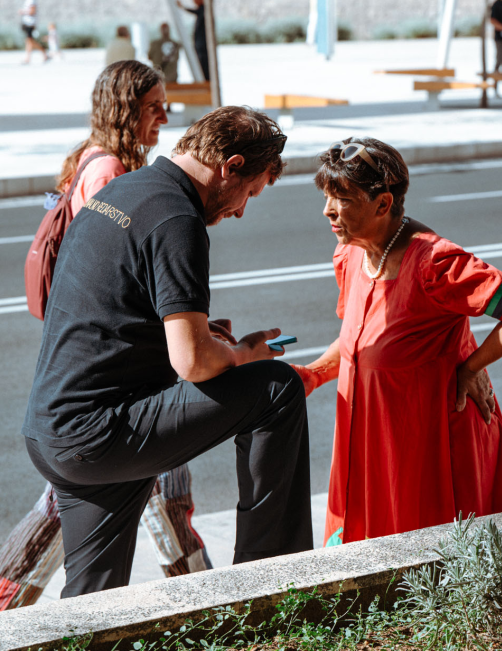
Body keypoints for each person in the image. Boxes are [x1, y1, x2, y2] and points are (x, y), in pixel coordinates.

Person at [21, 105, 311, 598]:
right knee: (278, 390)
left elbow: (112, 307)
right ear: (231, 166)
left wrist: (188, 333)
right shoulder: (178, 217)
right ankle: (271, 589)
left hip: (53, 430)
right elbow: (193, 362)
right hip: (101, 430)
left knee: (92, 602)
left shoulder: (122, 190)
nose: (241, 209)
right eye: (250, 192)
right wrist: (242, 355)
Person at [0, 62, 206, 618]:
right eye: (153, 106)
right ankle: (209, 605)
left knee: (131, 501)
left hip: (105, 372)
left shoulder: (94, 159)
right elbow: (115, 275)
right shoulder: (109, 173)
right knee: (158, 498)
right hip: (114, 377)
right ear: (126, 110)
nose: (165, 116)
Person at [291, 137, 502, 546]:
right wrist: (310, 375)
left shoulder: (436, 262)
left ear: (383, 204)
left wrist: (470, 368)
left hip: (427, 442)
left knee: (427, 562)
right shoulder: (352, 255)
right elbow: (357, 340)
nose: (328, 211)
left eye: (342, 199)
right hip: (370, 438)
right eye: (326, 197)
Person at [177, 0, 210, 80]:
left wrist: (182, 7)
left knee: (204, 67)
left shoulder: (205, 10)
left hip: (203, 47)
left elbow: (198, 12)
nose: (194, 0)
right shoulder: (202, 10)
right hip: (199, 45)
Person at [20, 0, 49, 64]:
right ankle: (28, 58)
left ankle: (43, 52)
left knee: (30, 41)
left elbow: (33, 11)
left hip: (30, 23)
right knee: (28, 41)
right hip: (27, 23)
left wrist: (23, 12)